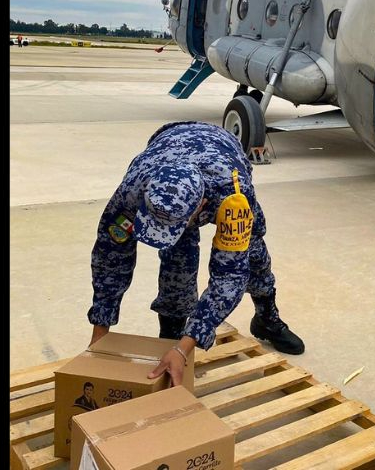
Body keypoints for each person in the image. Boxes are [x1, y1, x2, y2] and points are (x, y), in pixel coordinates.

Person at [87, 121, 305, 387]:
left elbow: (229, 278)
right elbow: (110, 257)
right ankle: (170, 334)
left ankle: (267, 319)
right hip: (168, 139)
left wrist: (187, 345)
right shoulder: (136, 185)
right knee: (176, 264)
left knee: (254, 257)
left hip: (224, 151)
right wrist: (100, 333)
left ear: (201, 207)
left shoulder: (233, 197)